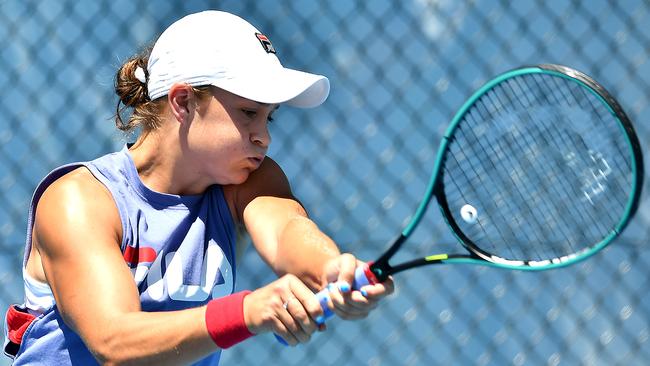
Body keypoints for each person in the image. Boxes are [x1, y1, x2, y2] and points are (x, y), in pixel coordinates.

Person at [3, 10, 393, 366]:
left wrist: (331, 268)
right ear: (183, 101)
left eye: (269, 118)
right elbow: (114, 342)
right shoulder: (79, 200)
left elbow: (287, 229)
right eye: (248, 113)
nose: (264, 138)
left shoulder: (248, 180)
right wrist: (246, 312)